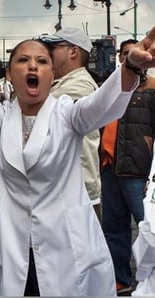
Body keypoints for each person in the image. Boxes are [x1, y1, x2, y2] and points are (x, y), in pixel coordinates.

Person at [0, 26, 155, 296]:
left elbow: (103, 104)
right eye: (23, 60)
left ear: (52, 75)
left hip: (66, 246)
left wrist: (130, 68)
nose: (32, 65)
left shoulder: (69, 114)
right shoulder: (4, 117)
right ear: (10, 75)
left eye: (42, 61)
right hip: (15, 245)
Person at [100, 38, 155, 295]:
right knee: (113, 228)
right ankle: (121, 279)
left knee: (149, 230)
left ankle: (149, 283)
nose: (129, 57)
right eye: (124, 54)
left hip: (139, 172)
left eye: (134, 52)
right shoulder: (110, 88)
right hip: (110, 168)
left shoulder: (153, 88)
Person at [40, 27, 102, 220]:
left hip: (76, 194)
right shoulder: (60, 84)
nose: (46, 55)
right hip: (61, 190)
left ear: (73, 51)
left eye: (52, 48)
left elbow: (37, 113)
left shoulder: (79, 86)